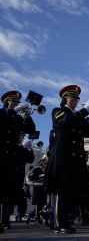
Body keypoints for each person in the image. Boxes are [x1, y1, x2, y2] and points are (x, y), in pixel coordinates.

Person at [44, 85, 89, 234]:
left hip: (74, 160)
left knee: (70, 191)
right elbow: (68, 121)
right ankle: (58, 223)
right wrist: (85, 110)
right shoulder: (58, 111)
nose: (75, 100)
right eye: (72, 97)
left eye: (77, 98)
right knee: (60, 190)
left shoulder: (78, 116)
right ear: (64, 99)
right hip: (62, 157)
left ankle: (62, 219)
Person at [0, 91, 36, 233]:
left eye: (17, 102)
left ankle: (4, 220)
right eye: (13, 102)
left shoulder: (16, 119)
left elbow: (30, 129)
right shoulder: (2, 113)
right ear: (6, 102)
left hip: (11, 160)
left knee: (5, 192)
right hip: (1, 156)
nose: (16, 104)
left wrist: (27, 116)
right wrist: (15, 111)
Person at [26, 156, 48, 224]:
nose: (45, 165)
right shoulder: (36, 169)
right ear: (41, 163)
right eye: (44, 163)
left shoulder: (46, 170)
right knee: (38, 205)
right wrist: (39, 176)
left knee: (42, 204)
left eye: (46, 163)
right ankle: (37, 219)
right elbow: (31, 177)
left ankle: (30, 214)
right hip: (37, 190)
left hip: (43, 189)